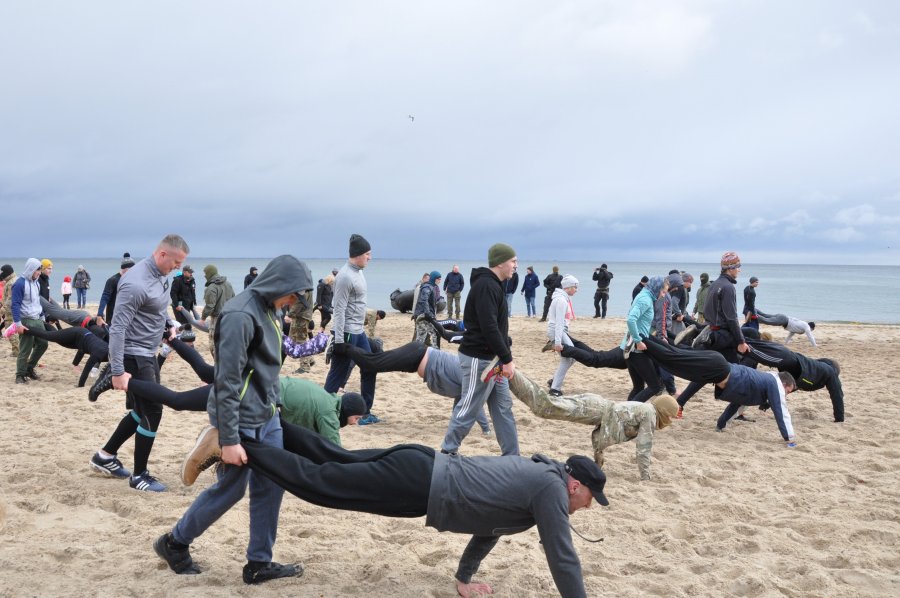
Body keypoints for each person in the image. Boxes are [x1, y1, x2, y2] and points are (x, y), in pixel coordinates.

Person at [171, 417, 609, 598]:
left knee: (333, 460)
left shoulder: (539, 478)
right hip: (418, 486)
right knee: (323, 485)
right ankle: (237, 442)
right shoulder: (551, 490)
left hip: (421, 464)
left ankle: (274, 428)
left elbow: (488, 527)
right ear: (576, 484)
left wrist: (464, 580)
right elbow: (563, 556)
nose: (587, 507)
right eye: (590, 498)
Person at [153, 254, 311, 584]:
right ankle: (174, 543)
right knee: (231, 489)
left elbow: (268, 368)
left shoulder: (269, 308)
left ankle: (259, 564)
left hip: (267, 416)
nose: (294, 302)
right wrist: (229, 438)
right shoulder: (240, 314)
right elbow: (226, 380)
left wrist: (276, 407)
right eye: (294, 294)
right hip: (242, 420)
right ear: (281, 284)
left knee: (272, 487)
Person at [88, 234, 189, 492]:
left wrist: (167, 325)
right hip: (134, 355)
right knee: (153, 411)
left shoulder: (160, 275)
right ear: (162, 254)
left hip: (147, 352)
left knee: (140, 411)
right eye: (176, 262)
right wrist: (119, 370)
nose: (178, 267)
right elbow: (118, 327)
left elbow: (156, 308)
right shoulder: (134, 283)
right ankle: (139, 475)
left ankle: (105, 456)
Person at [504, 367, 678, 480]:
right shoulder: (650, 414)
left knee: (545, 406)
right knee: (545, 406)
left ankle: (509, 375)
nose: (669, 421)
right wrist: (645, 477)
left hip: (596, 406)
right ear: (663, 411)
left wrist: (598, 458)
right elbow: (644, 447)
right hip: (595, 409)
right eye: (670, 416)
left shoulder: (647, 409)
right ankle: (511, 373)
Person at [641, 336, 797, 444]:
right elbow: (781, 410)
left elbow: (738, 403)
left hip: (719, 366)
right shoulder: (774, 384)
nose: (786, 395)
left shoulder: (762, 384)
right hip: (720, 368)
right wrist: (789, 437)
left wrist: (721, 425)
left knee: (677, 357)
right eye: (788, 391)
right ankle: (641, 339)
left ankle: (645, 339)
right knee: (675, 361)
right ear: (783, 384)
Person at [441, 243, 519, 456]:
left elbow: (496, 326)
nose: (516, 266)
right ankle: (447, 453)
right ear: (500, 262)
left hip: (494, 360)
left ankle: (512, 458)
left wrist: (504, 354)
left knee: (503, 408)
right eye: (513, 261)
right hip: (479, 359)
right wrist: (508, 358)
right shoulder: (486, 286)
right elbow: (488, 327)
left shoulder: (495, 285)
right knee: (469, 408)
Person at [676, 251, 750, 415]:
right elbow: (731, 318)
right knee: (739, 371)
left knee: (708, 372)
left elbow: (711, 313)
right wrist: (741, 341)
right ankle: (737, 411)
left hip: (712, 334)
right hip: (724, 337)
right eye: (738, 266)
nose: (739, 270)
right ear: (730, 268)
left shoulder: (715, 284)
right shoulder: (728, 287)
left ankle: (679, 403)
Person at [325, 234, 380, 424]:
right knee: (337, 374)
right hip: (346, 333)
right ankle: (324, 408)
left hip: (359, 332)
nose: (370, 257)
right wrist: (339, 340)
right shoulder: (344, 277)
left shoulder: (359, 272)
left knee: (370, 367)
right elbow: (338, 309)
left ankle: (365, 411)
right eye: (367, 254)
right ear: (357, 254)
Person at [742, 338, 842, 421]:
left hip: (789, 364)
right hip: (789, 359)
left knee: (751, 350)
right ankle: (734, 337)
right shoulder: (830, 372)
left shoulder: (815, 373)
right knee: (748, 348)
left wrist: (766, 403)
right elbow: (837, 395)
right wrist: (839, 419)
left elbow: (787, 389)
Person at [22, 320, 108, 387]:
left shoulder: (108, 351)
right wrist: (80, 385)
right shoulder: (99, 353)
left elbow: (83, 350)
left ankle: (45, 323)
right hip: (77, 333)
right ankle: (23, 328)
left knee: (57, 337)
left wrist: (75, 364)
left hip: (81, 339)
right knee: (48, 336)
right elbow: (86, 370)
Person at [622, 275, 667, 403]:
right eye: (663, 292)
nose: (663, 295)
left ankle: (623, 413)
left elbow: (640, 323)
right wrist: (637, 340)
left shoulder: (645, 295)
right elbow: (631, 319)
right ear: (657, 288)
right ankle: (628, 413)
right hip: (636, 350)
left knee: (638, 387)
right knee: (655, 386)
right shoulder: (645, 299)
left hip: (631, 348)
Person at [9, 258, 48, 384]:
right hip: (25, 320)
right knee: (26, 348)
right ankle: (19, 375)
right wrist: (18, 324)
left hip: (37, 319)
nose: (39, 273)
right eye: (37, 270)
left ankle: (29, 369)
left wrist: (42, 317)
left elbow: (37, 302)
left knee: (43, 344)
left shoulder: (36, 283)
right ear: (31, 269)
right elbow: (15, 305)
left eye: (40, 270)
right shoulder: (19, 284)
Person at [546, 275, 579, 396]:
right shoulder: (560, 300)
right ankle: (555, 389)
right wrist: (558, 343)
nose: (576, 290)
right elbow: (558, 323)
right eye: (575, 287)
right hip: (556, 331)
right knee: (569, 358)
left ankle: (554, 381)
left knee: (572, 357)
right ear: (568, 287)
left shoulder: (563, 298)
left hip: (560, 332)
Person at [201, 264, 235, 360]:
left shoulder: (211, 288)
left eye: (205, 273)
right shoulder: (228, 284)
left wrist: (203, 318)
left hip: (217, 319)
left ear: (210, 273)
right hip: (229, 317)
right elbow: (234, 299)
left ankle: (218, 365)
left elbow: (210, 306)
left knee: (214, 344)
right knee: (226, 341)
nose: (204, 276)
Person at [97, 256, 135, 323]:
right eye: (131, 269)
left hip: (128, 317)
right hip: (113, 317)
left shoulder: (131, 279)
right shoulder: (112, 280)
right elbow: (105, 297)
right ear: (125, 269)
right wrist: (99, 315)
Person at [413, 271, 441, 346]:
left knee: (421, 337)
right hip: (423, 316)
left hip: (422, 315)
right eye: (439, 279)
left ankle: (416, 353)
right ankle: (436, 353)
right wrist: (428, 313)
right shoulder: (427, 287)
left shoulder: (431, 286)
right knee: (436, 333)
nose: (440, 281)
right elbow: (424, 300)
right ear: (434, 279)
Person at [0, 264, 19, 356]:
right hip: (13, 309)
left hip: (11, 311)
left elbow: (10, 299)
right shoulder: (12, 280)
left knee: (10, 330)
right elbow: (6, 297)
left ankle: (16, 351)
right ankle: (17, 350)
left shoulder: (11, 282)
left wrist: (2, 309)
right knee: (14, 330)